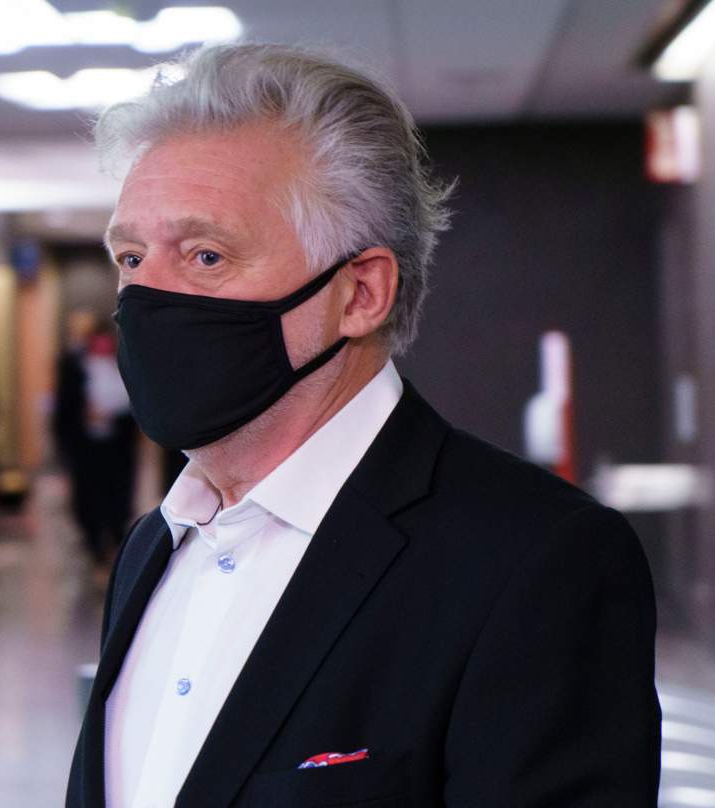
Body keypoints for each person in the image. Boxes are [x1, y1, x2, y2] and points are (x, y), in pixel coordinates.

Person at [67, 44, 660, 807]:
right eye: (131, 256)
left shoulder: (537, 563)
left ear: (360, 293)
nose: (146, 298)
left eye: (207, 255)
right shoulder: (153, 545)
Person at [53, 312, 138, 569]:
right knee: (90, 492)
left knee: (117, 491)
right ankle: (94, 540)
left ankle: (115, 535)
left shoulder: (123, 364)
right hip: (86, 445)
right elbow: (65, 407)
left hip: (118, 444)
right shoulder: (74, 365)